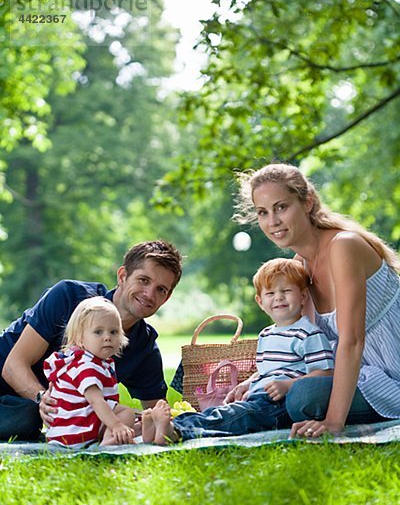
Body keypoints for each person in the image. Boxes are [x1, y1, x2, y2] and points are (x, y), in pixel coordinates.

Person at [232, 162, 400, 439]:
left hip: (390, 375)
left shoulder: (343, 246)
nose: (272, 221)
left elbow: (352, 340)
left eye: (281, 207)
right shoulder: (300, 265)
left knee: (303, 398)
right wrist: (256, 381)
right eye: (263, 212)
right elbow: (306, 342)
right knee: (284, 393)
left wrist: (334, 421)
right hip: (355, 372)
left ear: (307, 202)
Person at [0, 240, 182, 441]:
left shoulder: (144, 347)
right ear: (122, 276)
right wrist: (42, 399)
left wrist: (147, 421)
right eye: (143, 280)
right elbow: (12, 366)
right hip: (10, 386)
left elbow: (158, 412)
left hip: (32, 410)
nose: (149, 294)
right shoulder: (69, 296)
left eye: (161, 289)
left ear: (167, 298)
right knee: (27, 417)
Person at [141, 258, 334, 445]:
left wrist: (289, 385)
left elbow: (325, 373)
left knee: (234, 418)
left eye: (286, 291)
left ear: (302, 296)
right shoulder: (267, 334)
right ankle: (166, 427)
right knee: (221, 413)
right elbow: (266, 370)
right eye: (270, 293)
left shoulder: (308, 333)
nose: (278, 297)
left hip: (280, 403)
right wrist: (246, 384)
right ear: (260, 302)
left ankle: (176, 431)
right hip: (258, 397)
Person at [44, 297, 136, 448]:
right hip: (75, 432)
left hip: (70, 428)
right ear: (80, 339)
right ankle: (108, 443)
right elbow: (96, 401)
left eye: (113, 332)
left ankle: (114, 436)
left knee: (126, 416)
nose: (107, 337)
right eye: (98, 332)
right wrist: (117, 425)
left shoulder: (94, 362)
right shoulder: (86, 366)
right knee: (126, 414)